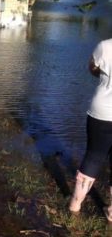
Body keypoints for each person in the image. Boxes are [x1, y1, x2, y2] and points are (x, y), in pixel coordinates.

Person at [69, 38, 112, 220]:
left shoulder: (105, 46)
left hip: (102, 111)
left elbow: (92, 67)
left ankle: (75, 205)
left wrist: (105, 76)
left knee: (94, 155)